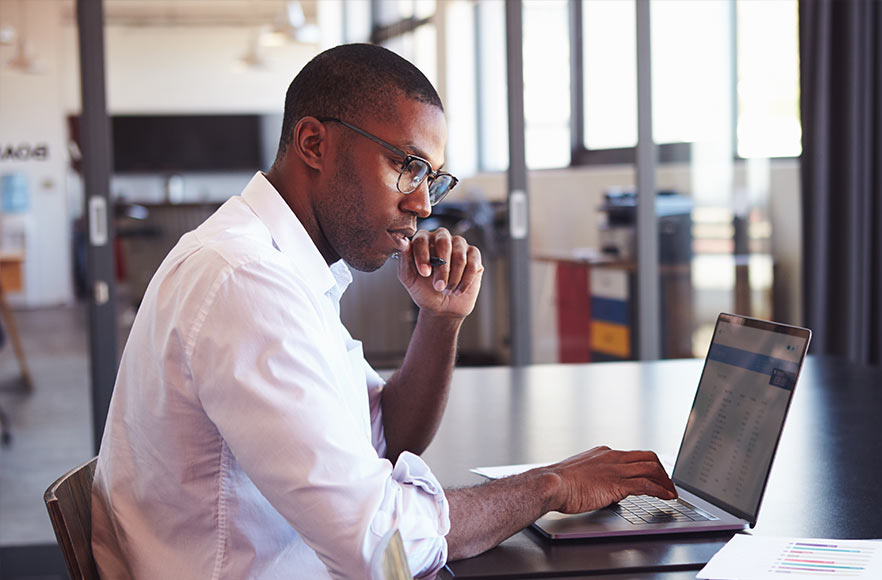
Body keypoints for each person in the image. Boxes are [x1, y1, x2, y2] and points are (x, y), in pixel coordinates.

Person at [91, 43, 675, 579]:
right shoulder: (246, 280)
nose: (421, 204)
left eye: (433, 179)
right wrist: (551, 484)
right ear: (315, 144)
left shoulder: (287, 270)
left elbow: (386, 437)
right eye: (407, 166)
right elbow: (382, 549)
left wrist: (440, 321)